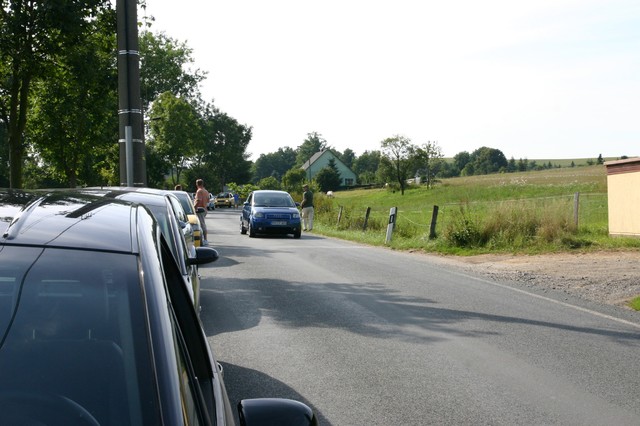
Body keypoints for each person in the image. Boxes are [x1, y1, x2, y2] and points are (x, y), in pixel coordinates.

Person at [193, 179, 210, 245]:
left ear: (197, 184)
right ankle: (203, 238)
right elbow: (208, 200)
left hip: (200, 209)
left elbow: (198, 200)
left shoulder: (199, 191)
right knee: (201, 223)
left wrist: (194, 207)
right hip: (205, 209)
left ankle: (205, 239)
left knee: (202, 224)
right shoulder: (205, 191)